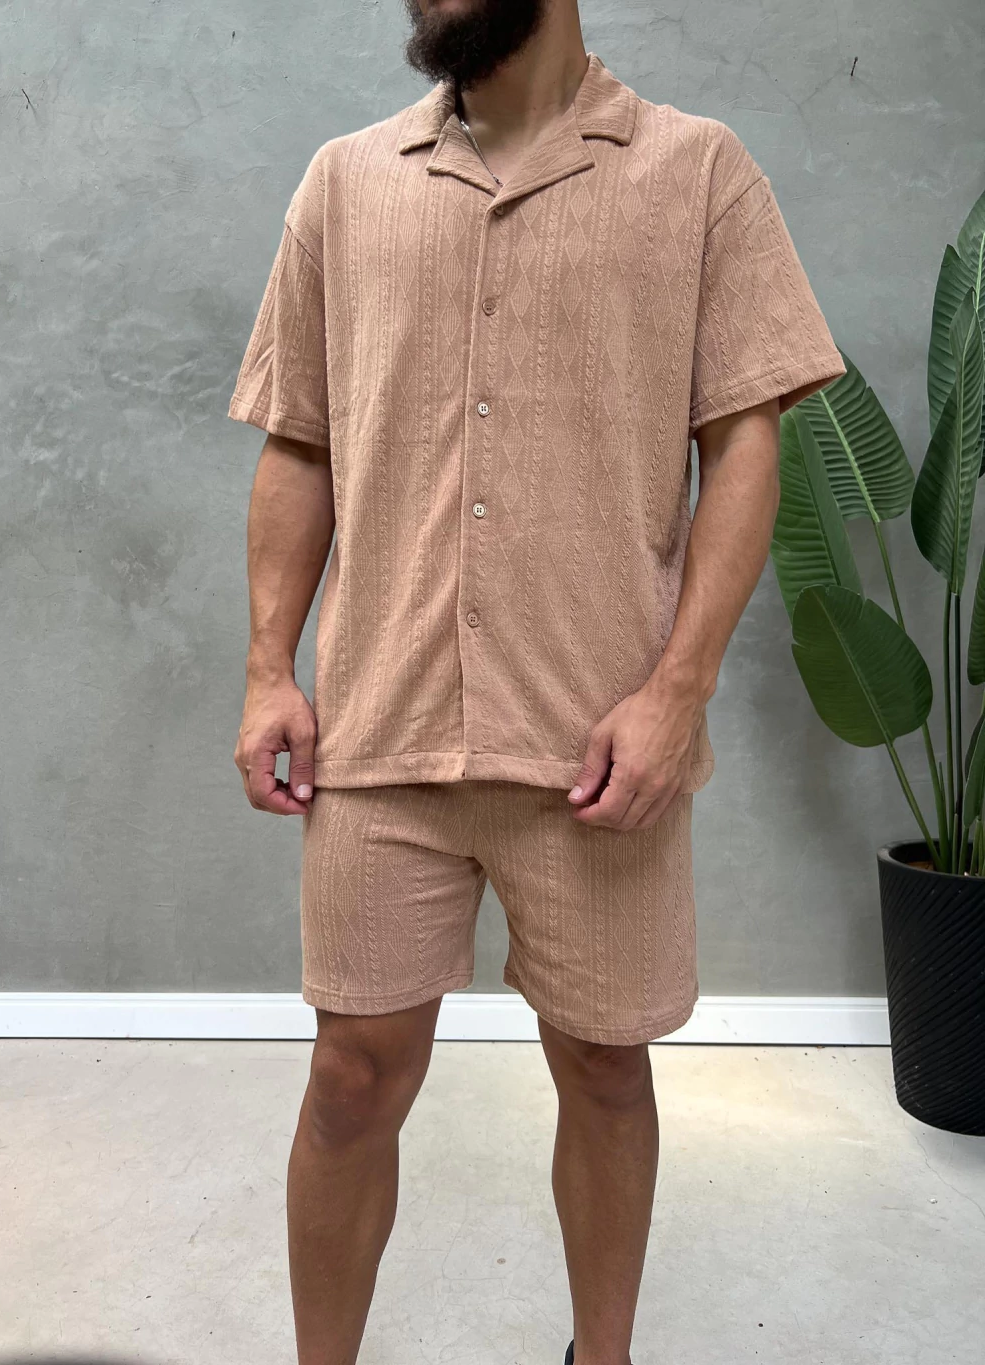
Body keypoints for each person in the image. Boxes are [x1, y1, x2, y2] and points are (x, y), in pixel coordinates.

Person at [228, 2, 844, 1361]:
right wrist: (270, 667)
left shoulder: (698, 171)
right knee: (350, 1080)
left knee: (607, 1071)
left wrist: (677, 693)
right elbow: (299, 444)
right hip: (378, 737)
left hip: (597, 751)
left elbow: (745, 444)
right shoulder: (345, 182)